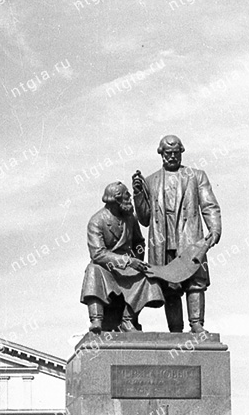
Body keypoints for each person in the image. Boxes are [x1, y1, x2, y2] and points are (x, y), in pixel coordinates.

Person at [132, 135, 221, 333]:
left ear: (181, 152)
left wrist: (214, 229)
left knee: (195, 282)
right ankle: (176, 333)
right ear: (161, 154)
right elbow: (145, 219)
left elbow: (209, 205)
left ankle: (197, 325)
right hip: (162, 241)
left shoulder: (196, 175)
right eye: (167, 154)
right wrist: (139, 194)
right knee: (170, 287)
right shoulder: (151, 180)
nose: (171, 157)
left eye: (175, 153)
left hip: (189, 239)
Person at [80, 181, 164, 332]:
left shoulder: (130, 218)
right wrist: (128, 261)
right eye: (126, 196)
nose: (129, 199)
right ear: (116, 199)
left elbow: (139, 242)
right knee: (93, 270)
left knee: (148, 276)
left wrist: (137, 260)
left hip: (128, 267)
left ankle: (128, 319)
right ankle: (96, 320)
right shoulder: (96, 221)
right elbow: (97, 253)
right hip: (107, 268)